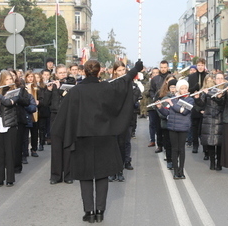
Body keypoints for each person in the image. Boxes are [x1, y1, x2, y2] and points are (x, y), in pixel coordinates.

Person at [52, 59, 143, 223]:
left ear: (84, 72)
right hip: (104, 137)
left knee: (85, 176)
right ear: (99, 71)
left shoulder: (76, 91)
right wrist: (135, 68)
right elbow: (124, 82)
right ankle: (100, 210)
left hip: (82, 138)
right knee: (102, 175)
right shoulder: (107, 88)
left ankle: (89, 212)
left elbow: (64, 116)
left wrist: (61, 135)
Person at [45, 64, 76, 184]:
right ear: (56, 74)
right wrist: (48, 91)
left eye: (64, 72)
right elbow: (46, 103)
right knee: (56, 147)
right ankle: (55, 176)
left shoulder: (71, 84)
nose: (63, 75)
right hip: (55, 117)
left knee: (68, 146)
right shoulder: (52, 85)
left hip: (68, 117)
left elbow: (71, 100)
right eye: (61, 73)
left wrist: (59, 90)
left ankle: (68, 175)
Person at [156, 79, 194, 179]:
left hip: (183, 127)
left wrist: (173, 104)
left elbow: (184, 112)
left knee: (181, 149)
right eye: (182, 88)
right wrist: (160, 107)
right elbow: (167, 113)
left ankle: (181, 171)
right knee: (174, 149)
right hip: (172, 127)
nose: (185, 90)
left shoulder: (190, 100)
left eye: (186, 88)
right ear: (178, 89)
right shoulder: (173, 98)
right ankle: (176, 171)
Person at [194, 73, 226, 171]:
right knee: (210, 142)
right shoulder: (209, 90)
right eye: (218, 78)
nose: (220, 80)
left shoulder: (226, 90)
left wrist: (211, 94)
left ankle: (219, 163)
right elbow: (202, 103)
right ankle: (212, 162)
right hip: (209, 117)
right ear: (214, 80)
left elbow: (222, 102)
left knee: (219, 142)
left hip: (220, 117)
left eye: (221, 78)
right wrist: (197, 98)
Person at [149, 61, 171, 149]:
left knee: (167, 127)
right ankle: (159, 145)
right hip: (158, 105)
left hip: (169, 104)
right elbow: (151, 90)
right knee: (158, 126)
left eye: (165, 67)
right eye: (161, 67)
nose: (163, 69)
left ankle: (167, 145)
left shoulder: (171, 78)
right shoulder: (155, 79)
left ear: (168, 67)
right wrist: (154, 98)